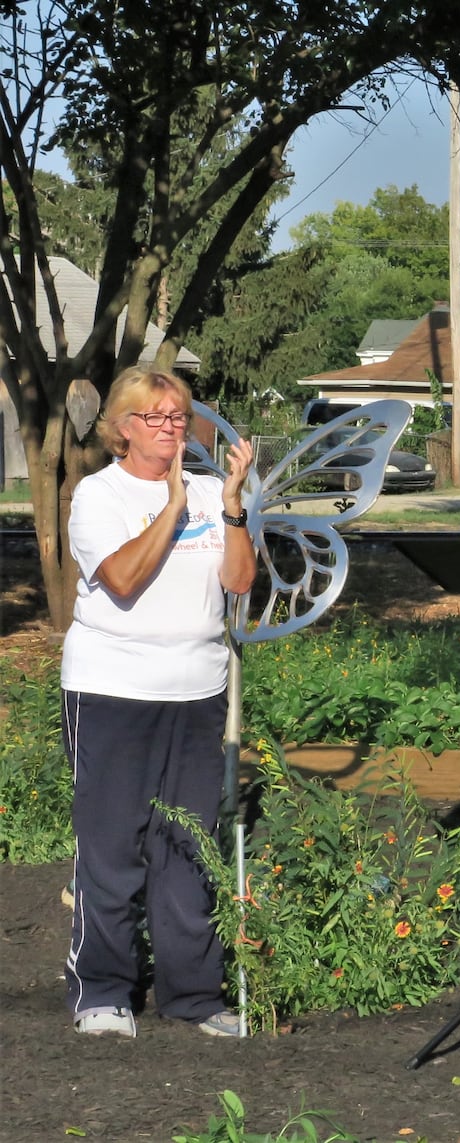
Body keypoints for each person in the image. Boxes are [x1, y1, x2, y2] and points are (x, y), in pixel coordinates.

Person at [63, 367, 257, 1038]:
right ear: (121, 428)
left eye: (179, 416)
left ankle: (194, 995)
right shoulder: (99, 495)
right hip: (113, 688)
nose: (172, 427)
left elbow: (239, 581)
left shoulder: (210, 491)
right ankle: (103, 990)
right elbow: (118, 578)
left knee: (187, 845)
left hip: (196, 689)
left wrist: (228, 506)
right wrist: (171, 508)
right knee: (114, 845)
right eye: (155, 417)